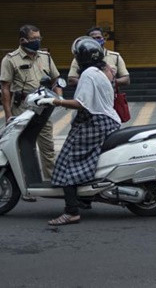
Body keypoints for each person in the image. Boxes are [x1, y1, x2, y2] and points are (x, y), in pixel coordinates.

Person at [36, 36, 121, 226]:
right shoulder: (101, 72)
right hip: (106, 120)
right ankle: (84, 199)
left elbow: (80, 104)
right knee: (83, 161)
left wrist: (54, 101)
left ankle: (71, 211)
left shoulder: (88, 74)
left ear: (81, 58)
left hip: (94, 122)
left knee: (66, 163)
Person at [0, 24, 63, 184]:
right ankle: (26, 184)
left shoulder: (45, 57)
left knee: (47, 146)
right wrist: (8, 115)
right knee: (24, 147)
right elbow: (5, 88)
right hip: (22, 107)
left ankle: (52, 181)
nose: (38, 41)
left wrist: (59, 98)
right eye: (34, 39)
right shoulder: (10, 59)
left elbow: (56, 79)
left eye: (39, 38)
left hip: (43, 107)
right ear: (23, 40)